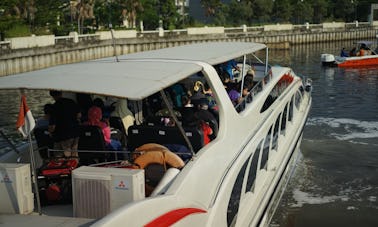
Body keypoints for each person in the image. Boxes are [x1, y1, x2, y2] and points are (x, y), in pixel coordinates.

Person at [48, 90, 81, 158]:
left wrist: (50, 132)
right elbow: (79, 115)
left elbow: (52, 126)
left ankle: (66, 167)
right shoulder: (71, 101)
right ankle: (75, 166)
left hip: (63, 135)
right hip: (75, 132)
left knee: (62, 156)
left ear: (52, 96)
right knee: (74, 153)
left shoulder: (54, 107)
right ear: (61, 93)